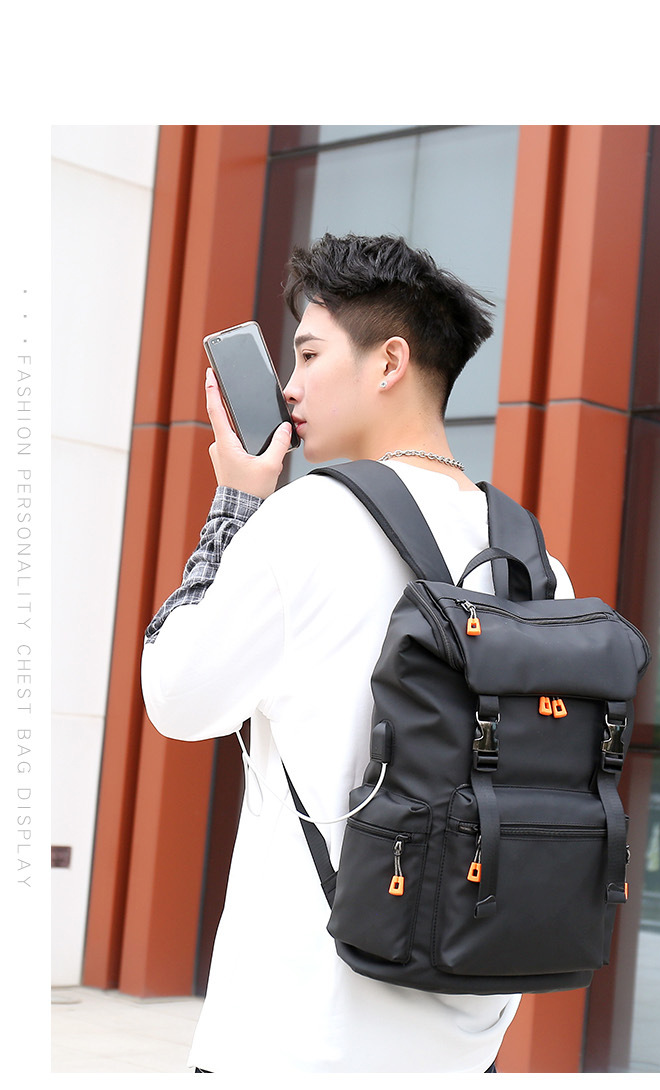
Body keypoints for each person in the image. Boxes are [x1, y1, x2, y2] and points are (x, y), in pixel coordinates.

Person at [141, 233, 574, 1074]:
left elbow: (177, 699)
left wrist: (236, 503)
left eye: (309, 353)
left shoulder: (308, 520)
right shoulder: (535, 563)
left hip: (298, 1032)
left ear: (390, 362)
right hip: (466, 1036)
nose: (289, 386)